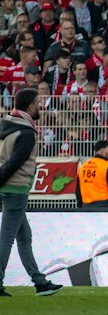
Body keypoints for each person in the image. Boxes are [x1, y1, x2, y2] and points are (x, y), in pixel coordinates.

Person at [0, 88, 59, 296]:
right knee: (7, 237)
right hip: (16, 188)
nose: (40, 106)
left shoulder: (7, 124)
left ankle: (39, 282)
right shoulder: (27, 132)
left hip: (8, 188)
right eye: (38, 102)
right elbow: (16, 162)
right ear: (31, 106)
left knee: (24, 236)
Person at [77, 139, 108, 209]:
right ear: (104, 150)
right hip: (104, 207)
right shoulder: (107, 167)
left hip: (86, 208)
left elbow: (78, 191)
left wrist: (81, 207)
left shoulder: (83, 167)